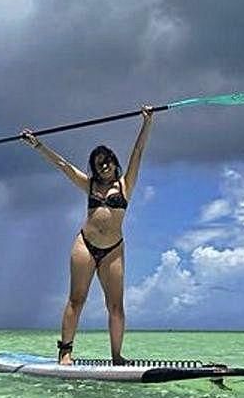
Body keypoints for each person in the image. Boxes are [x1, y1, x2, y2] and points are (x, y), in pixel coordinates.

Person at [21, 105, 153, 365]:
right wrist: (36, 145)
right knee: (76, 299)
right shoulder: (89, 184)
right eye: (98, 164)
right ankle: (65, 351)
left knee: (116, 306)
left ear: (115, 162)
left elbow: (138, 152)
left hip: (114, 248)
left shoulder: (126, 184)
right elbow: (63, 166)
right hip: (85, 245)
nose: (103, 166)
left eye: (107, 162)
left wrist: (147, 122)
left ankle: (117, 356)